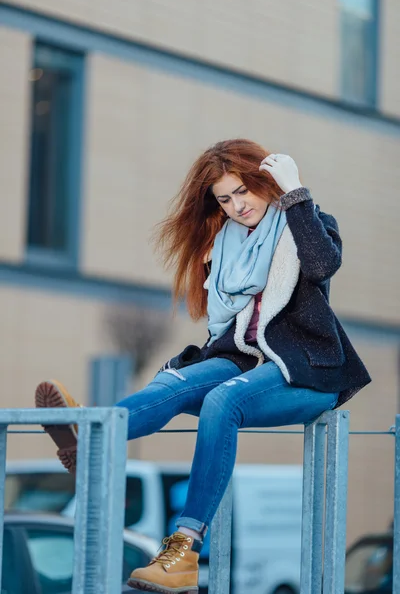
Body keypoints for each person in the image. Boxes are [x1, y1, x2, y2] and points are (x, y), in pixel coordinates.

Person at [35, 139, 371, 594]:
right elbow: (223, 325)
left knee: (223, 399)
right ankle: (90, 432)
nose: (236, 206)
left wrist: (295, 191)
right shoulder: (225, 243)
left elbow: (321, 264)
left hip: (306, 371)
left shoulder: (304, 221)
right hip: (239, 358)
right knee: (172, 384)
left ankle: (184, 551)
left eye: (243, 192)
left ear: (264, 181)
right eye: (225, 198)